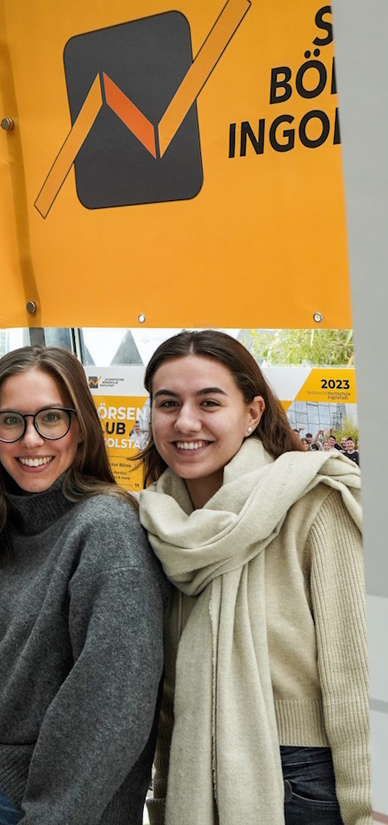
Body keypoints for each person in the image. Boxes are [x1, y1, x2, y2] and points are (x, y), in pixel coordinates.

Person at [0, 346, 168, 825]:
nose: (31, 439)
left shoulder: (107, 530)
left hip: (48, 808)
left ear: (80, 430)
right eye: (11, 421)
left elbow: (111, 715)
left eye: (51, 418)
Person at [136, 330, 370, 825]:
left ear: (253, 413)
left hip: (303, 775)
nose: (185, 421)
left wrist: (369, 806)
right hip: (195, 768)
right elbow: (168, 694)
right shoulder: (155, 521)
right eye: (168, 402)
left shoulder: (313, 503)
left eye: (210, 402)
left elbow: (356, 676)